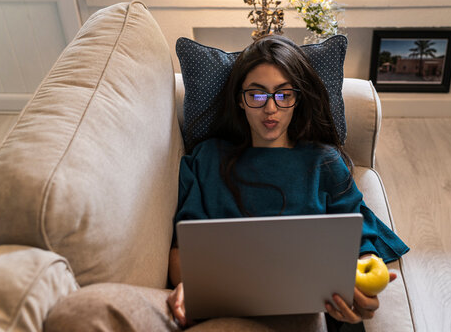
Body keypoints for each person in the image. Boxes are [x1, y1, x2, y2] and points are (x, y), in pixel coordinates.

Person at [166, 35, 409, 331]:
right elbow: (181, 250)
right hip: (224, 313)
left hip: (306, 313)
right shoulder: (206, 159)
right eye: (257, 95)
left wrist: (362, 288)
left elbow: (359, 235)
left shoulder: (324, 161)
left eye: (284, 95)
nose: (271, 109)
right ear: (239, 100)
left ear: (299, 99)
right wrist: (191, 286)